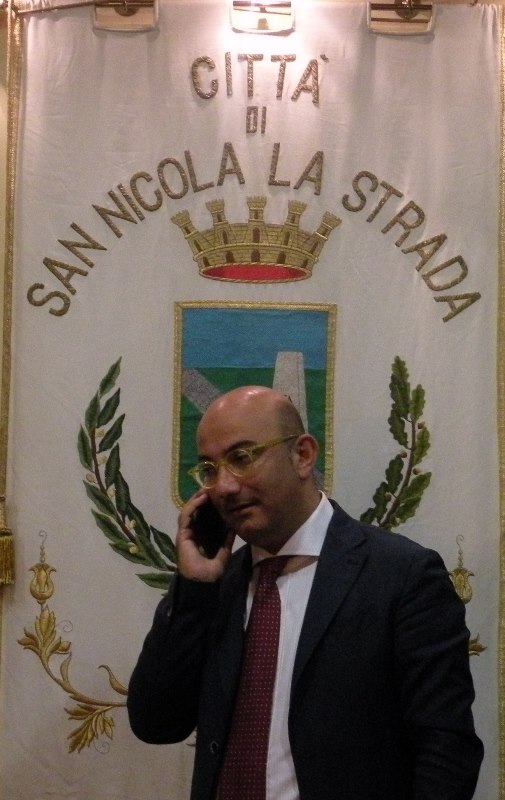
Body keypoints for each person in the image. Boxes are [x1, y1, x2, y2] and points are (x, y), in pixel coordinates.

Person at [127, 385, 484, 800]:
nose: (223, 487)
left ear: (302, 455)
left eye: (241, 458)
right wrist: (194, 590)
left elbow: (446, 752)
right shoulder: (218, 586)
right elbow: (155, 723)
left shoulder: (402, 575)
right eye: (209, 469)